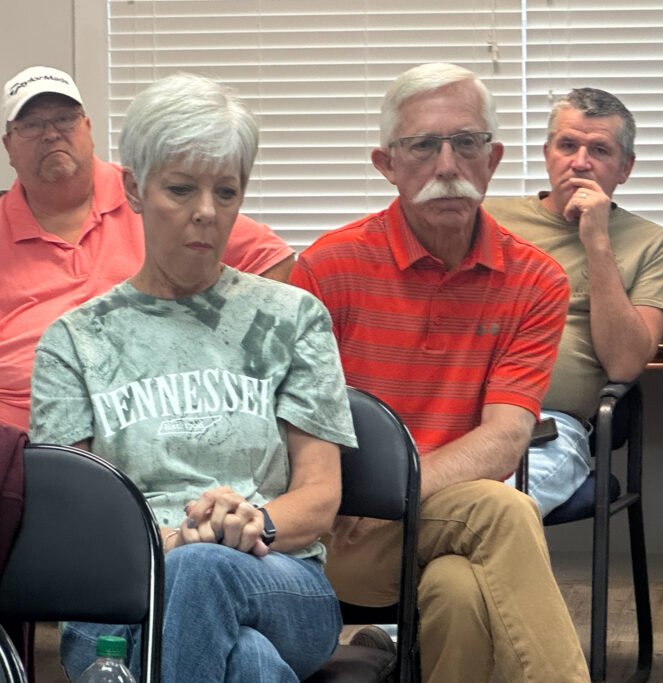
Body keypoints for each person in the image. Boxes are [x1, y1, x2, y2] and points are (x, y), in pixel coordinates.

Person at [29, 73, 355, 682]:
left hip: (280, 580)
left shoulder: (292, 318)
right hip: (118, 594)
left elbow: (319, 500)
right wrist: (165, 541)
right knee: (251, 664)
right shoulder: (76, 342)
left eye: (226, 192)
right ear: (133, 187)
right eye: (181, 189)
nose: (207, 212)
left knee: (203, 571)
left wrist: (255, 521)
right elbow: (69, 520)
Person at [289, 63, 589, 682]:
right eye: (423, 145)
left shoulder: (535, 280)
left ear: (494, 158)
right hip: (346, 534)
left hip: (449, 520)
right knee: (505, 511)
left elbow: (507, 436)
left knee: (457, 590)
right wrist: (358, 498)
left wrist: (401, 492)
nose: (447, 164)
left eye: (467, 142)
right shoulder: (328, 269)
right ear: (386, 164)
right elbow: (297, 433)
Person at [0, 65, 295, 432]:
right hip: (24, 443)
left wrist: (228, 353)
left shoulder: (156, 192)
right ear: (8, 145)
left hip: (151, 418)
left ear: (88, 129)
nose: (51, 134)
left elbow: (272, 260)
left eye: (65, 119)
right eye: (31, 125)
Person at [485, 87, 663, 515]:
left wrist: (596, 240)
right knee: (409, 494)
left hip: (548, 429)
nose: (580, 162)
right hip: (455, 413)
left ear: (625, 167)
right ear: (546, 153)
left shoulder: (654, 244)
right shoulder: (486, 220)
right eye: (567, 145)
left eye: (599, 150)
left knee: (493, 509)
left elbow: (625, 364)